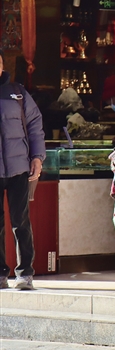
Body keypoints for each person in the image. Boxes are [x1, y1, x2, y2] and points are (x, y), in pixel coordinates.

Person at [0, 48, 45, 290]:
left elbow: (35, 124)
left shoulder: (17, 92)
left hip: (19, 168)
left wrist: (37, 157)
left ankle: (25, 273)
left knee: (21, 221)